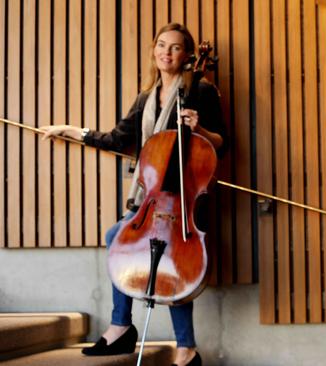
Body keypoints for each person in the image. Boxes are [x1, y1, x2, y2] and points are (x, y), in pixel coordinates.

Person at [42, 23, 228, 366]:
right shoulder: (147, 97)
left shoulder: (200, 89)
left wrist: (197, 128)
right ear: (153, 50)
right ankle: (122, 327)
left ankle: (183, 348)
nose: (166, 52)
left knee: (173, 262)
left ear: (187, 55)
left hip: (184, 197)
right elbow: (117, 138)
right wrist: (70, 130)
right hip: (150, 198)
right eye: (161, 45)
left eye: (174, 48)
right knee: (118, 236)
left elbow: (223, 143)